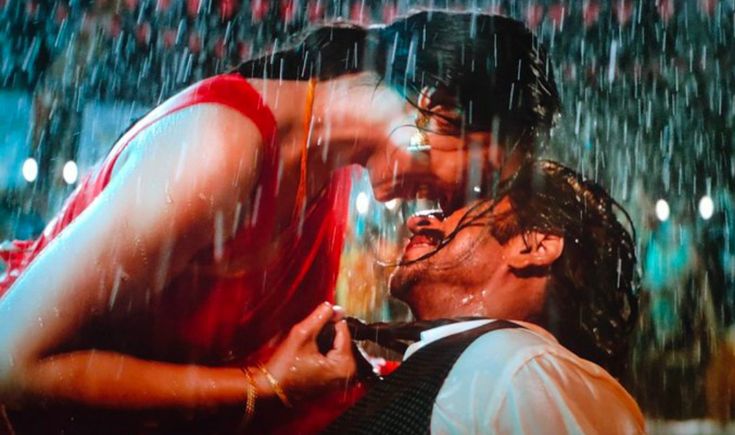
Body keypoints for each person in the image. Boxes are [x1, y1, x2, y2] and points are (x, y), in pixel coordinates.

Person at [0, 11, 560, 433]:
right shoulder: (220, 151)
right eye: (474, 179)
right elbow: (12, 367)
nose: (453, 203)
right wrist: (263, 388)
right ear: (435, 110)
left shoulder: (328, 171)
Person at [326, 160, 646, 434]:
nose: (418, 220)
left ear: (533, 246)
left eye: (467, 208)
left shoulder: (522, 370)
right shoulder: (495, 367)